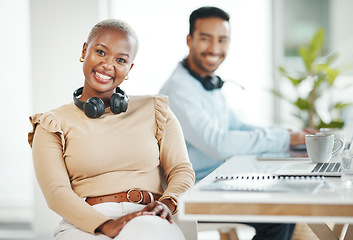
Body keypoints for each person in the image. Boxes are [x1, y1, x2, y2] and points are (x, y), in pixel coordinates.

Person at [28, 19, 195, 240]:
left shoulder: (156, 111)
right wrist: (105, 224)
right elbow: (55, 192)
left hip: (148, 217)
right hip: (85, 223)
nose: (108, 65)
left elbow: (181, 170)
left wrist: (167, 202)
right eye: (100, 52)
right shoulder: (52, 123)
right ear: (84, 50)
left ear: (129, 68)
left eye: (120, 60)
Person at [159, 6, 306, 240]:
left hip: (218, 183)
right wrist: (287, 139)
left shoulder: (207, 82)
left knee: (286, 206)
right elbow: (218, 143)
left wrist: (289, 134)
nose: (215, 49)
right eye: (206, 39)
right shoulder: (179, 89)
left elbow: (237, 127)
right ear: (190, 40)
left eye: (222, 40)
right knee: (278, 216)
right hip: (193, 193)